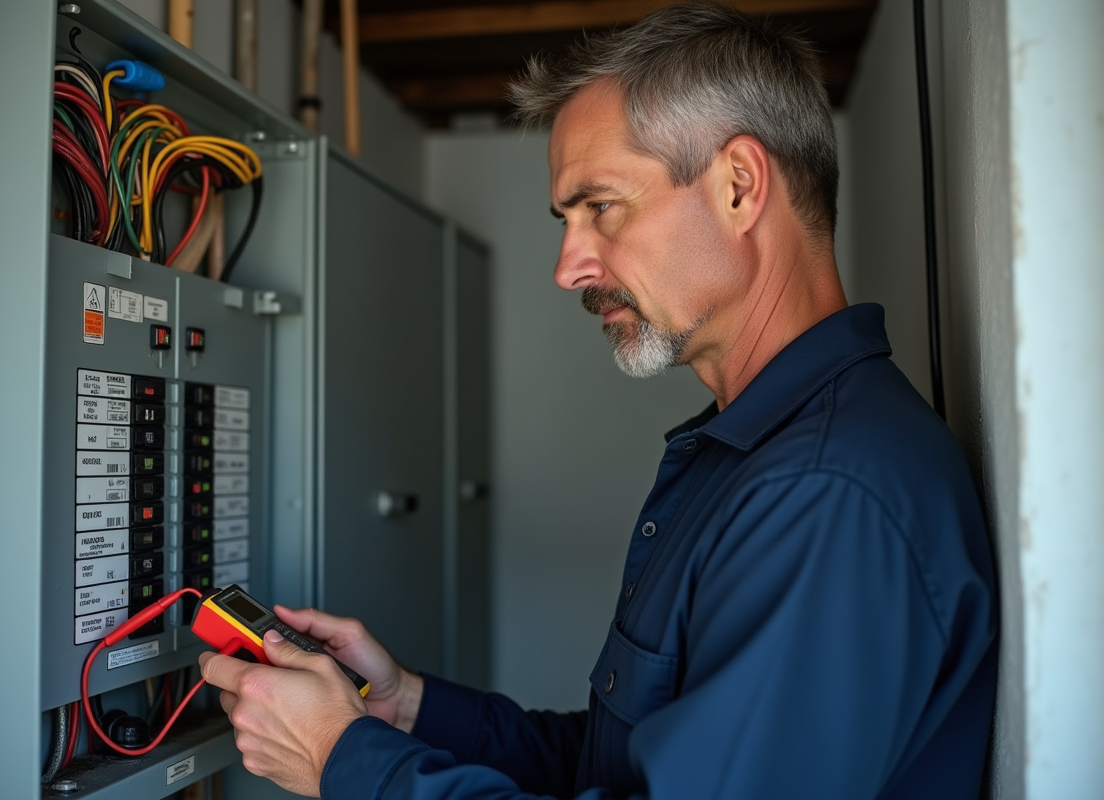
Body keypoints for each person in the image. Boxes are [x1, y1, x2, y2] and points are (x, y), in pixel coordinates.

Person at [200, 4, 999, 798]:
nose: (569, 266)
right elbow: (629, 769)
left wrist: (345, 760)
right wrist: (406, 709)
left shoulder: (827, 496)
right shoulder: (756, 455)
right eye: (565, 219)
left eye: (601, 207)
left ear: (739, 186)